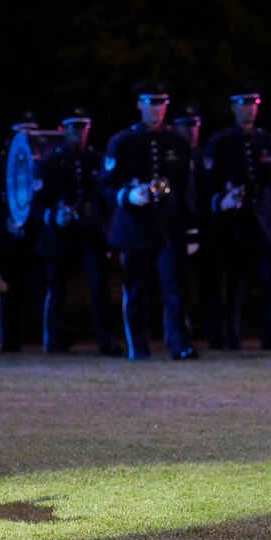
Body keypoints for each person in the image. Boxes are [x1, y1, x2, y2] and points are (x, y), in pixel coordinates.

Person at [99, 81, 199, 360]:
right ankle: (138, 346)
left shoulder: (178, 141)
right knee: (136, 290)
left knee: (175, 289)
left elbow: (186, 189)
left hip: (169, 228)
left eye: (161, 103)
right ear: (140, 105)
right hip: (134, 227)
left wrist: (191, 230)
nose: (156, 109)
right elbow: (105, 184)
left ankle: (181, 345)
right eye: (151, 103)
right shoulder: (123, 141)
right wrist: (127, 195)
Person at [200, 81, 271, 350]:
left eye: (253, 104)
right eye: (243, 104)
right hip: (232, 224)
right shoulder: (220, 143)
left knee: (270, 282)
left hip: (263, 222)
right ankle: (229, 337)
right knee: (231, 285)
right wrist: (220, 202)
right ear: (233, 108)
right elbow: (208, 185)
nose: (249, 110)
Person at [33, 107, 124, 356]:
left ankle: (107, 341)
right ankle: (53, 340)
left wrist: (105, 227)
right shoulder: (51, 161)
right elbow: (36, 202)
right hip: (59, 236)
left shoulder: (97, 158)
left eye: (83, 127)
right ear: (63, 130)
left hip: (90, 235)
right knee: (57, 289)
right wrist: (55, 215)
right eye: (73, 127)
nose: (79, 133)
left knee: (100, 288)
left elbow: (106, 197)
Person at [0, 110, 48, 352]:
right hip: (9, 239)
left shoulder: (44, 164)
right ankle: (9, 341)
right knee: (9, 294)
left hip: (37, 240)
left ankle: (49, 339)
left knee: (43, 290)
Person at [173, 102, 223, 350]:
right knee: (178, 285)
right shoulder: (171, 158)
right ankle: (181, 337)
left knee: (211, 286)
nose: (191, 131)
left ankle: (217, 336)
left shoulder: (205, 158)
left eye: (195, 126)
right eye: (185, 126)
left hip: (206, 231)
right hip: (177, 230)